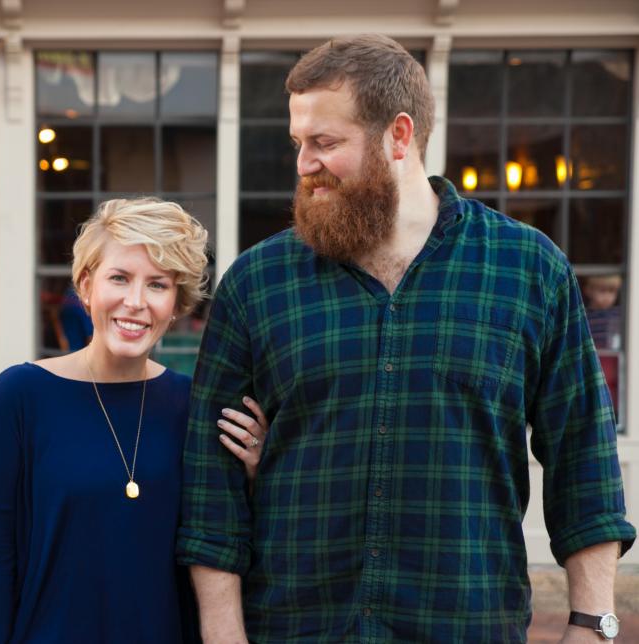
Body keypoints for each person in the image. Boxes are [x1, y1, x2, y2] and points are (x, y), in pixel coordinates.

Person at [177, 34, 635, 643]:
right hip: (295, 628)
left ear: (398, 135)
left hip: (466, 628)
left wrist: (593, 624)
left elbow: (583, 458)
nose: (303, 163)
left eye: (325, 143)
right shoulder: (258, 282)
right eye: (297, 143)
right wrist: (223, 634)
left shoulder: (528, 270)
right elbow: (212, 485)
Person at [0, 197, 269, 643]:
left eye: (157, 284)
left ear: (177, 302)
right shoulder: (19, 397)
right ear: (86, 286)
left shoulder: (192, 405)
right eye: (119, 278)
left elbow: (226, 540)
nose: (135, 302)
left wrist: (257, 476)